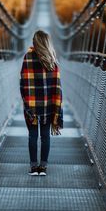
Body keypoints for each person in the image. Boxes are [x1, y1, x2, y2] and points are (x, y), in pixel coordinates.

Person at [20, 30, 63, 176]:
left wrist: (26, 102)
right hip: (48, 106)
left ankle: (33, 168)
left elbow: (23, 83)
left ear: (34, 42)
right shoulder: (53, 60)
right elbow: (57, 86)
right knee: (45, 136)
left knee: (32, 135)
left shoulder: (27, 57)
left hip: (32, 105)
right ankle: (43, 168)